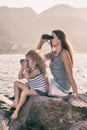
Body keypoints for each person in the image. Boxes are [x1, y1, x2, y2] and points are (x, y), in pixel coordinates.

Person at [37, 29, 78, 96]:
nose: (51, 39)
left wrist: (75, 94)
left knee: (37, 86)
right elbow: (35, 59)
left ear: (60, 40)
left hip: (62, 89)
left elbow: (70, 75)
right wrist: (41, 42)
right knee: (38, 80)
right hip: (55, 83)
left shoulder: (64, 54)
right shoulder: (53, 53)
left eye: (52, 37)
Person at [10, 49, 47, 119]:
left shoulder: (37, 70)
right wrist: (22, 68)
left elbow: (28, 77)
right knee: (16, 83)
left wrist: (26, 67)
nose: (26, 62)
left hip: (39, 91)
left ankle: (16, 111)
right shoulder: (29, 70)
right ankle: (16, 102)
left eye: (28, 60)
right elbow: (20, 77)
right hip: (32, 88)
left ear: (34, 62)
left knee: (24, 92)